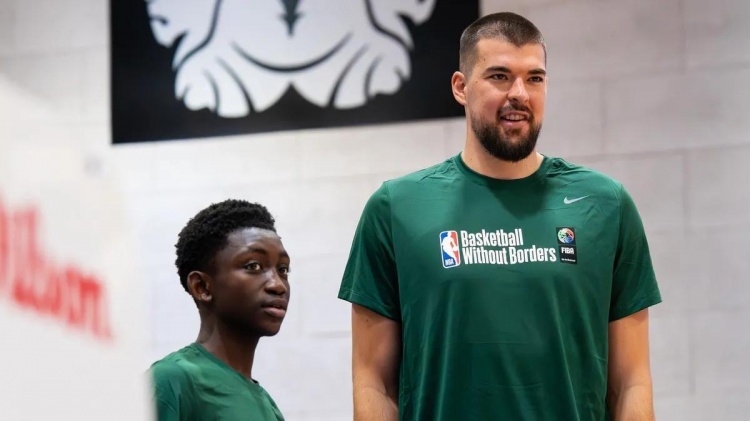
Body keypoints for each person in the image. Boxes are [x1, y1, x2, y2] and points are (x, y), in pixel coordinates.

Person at [338, 11, 661, 421]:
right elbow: (373, 383)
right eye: (500, 76)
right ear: (461, 87)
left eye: (535, 78)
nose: (520, 94)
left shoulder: (606, 204)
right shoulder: (395, 208)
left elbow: (631, 381)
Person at [149, 199, 290, 421]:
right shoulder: (171, 380)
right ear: (202, 287)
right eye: (253, 266)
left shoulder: (268, 406)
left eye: (283, 269)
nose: (278, 285)